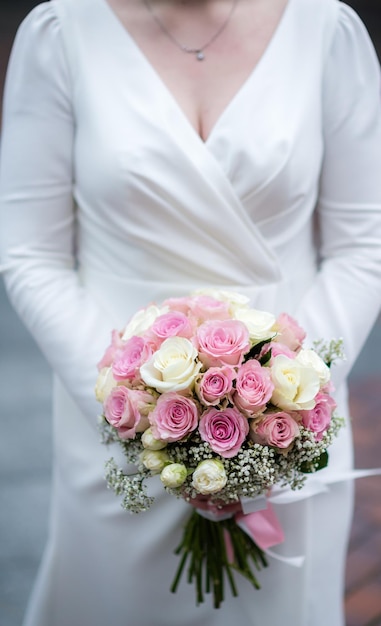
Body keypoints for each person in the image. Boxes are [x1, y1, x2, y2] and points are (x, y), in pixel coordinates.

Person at [1, 0, 381, 624]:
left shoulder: (325, 29)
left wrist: (288, 399)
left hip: (282, 431)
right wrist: (129, 408)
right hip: (114, 425)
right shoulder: (62, 31)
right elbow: (28, 253)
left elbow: (361, 246)